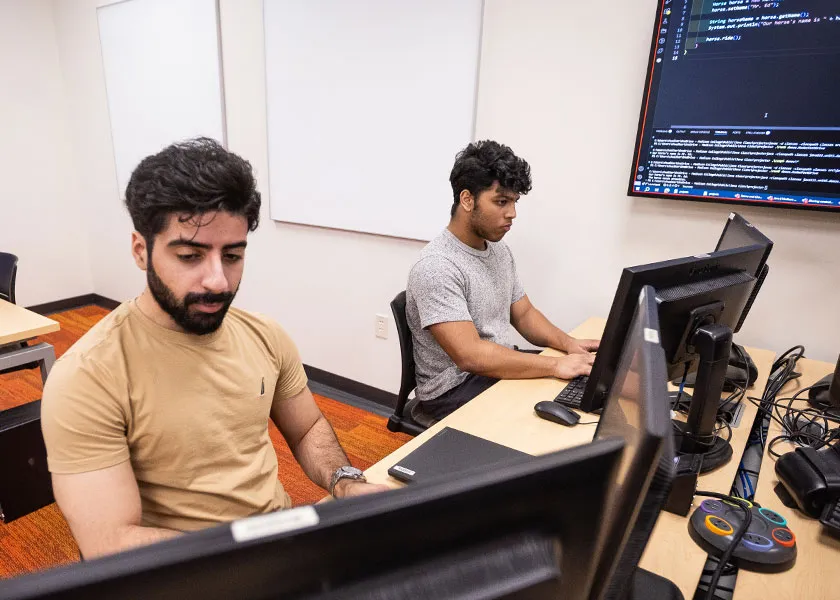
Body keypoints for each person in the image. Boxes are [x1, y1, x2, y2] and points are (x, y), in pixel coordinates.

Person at [41, 138, 387, 559]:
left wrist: (345, 481)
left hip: (280, 547)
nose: (218, 280)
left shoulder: (265, 335)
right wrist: (253, 551)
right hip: (187, 573)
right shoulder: (87, 378)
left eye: (233, 255)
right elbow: (111, 542)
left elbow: (308, 428)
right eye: (190, 255)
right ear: (140, 252)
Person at [406, 140, 599, 421]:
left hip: (489, 366)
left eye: (514, 202)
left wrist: (569, 344)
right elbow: (470, 355)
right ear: (467, 199)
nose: (512, 213)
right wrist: (555, 364)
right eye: (501, 202)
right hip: (452, 389)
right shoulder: (436, 266)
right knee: (550, 407)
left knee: (576, 386)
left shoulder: (497, 250)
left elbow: (524, 314)